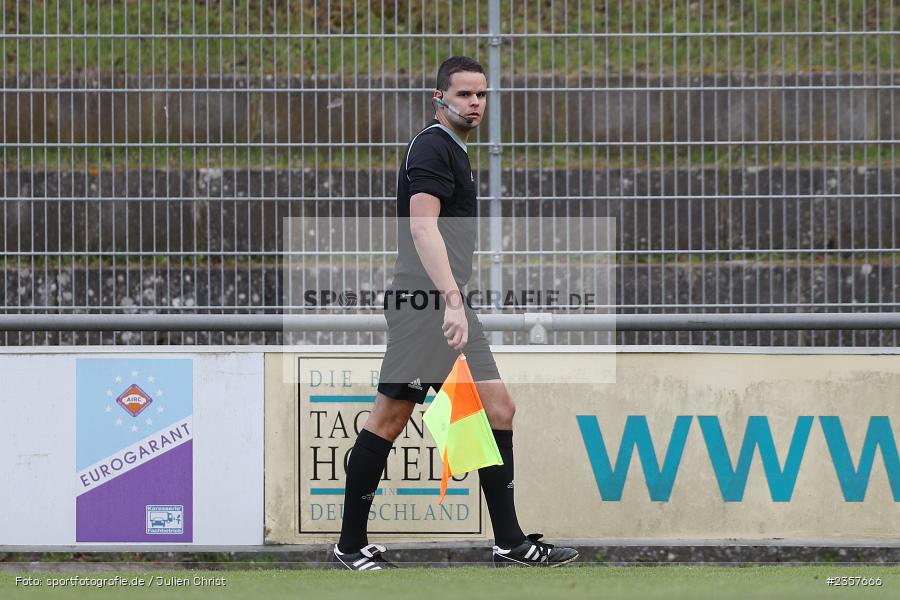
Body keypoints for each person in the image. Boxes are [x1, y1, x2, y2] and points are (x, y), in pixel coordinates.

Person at [331, 56, 578, 570]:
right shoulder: (432, 147)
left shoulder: (454, 149)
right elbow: (423, 229)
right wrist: (452, 300)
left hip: (440, 304)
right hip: (426, 306)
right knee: (390, 419)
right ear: (439, 98)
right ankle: (349, 546)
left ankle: (509, 543)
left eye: (482, 95)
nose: (475, 103)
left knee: (497, 411)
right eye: (464, 94)